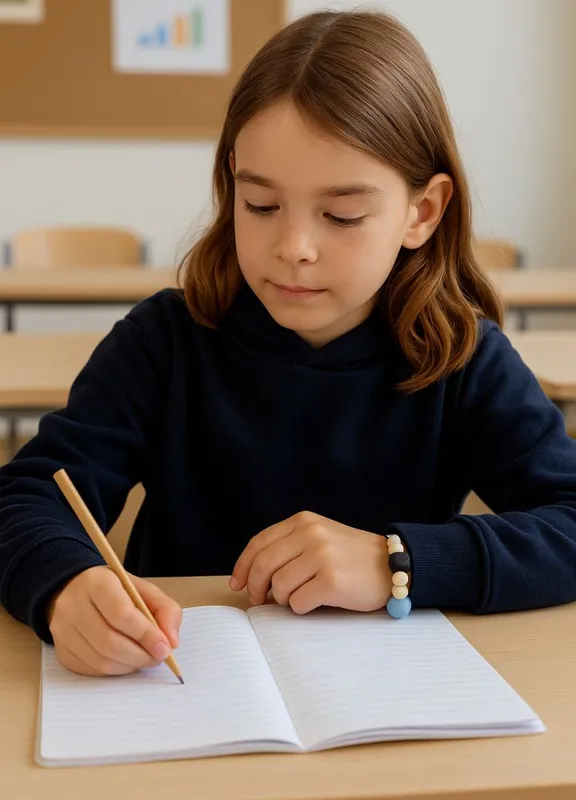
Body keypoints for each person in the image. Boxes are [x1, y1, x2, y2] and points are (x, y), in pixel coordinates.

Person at [1, 9, 576, 680]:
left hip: (383, 702)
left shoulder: (461, 359)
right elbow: (25, 498)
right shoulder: (163, 344)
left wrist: (397, 563)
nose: (293, 248)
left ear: (421, 212)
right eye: (261, 205)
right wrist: (66, 586)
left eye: (341, 215)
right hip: (183, 699)